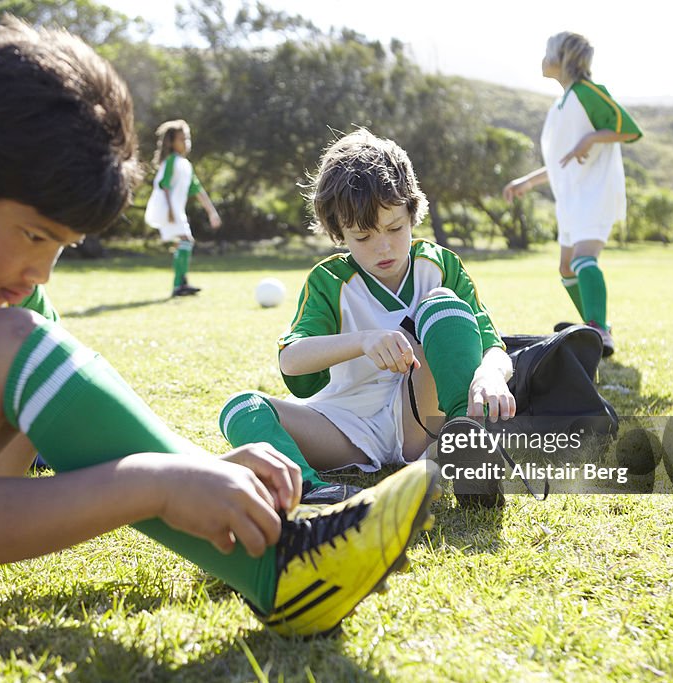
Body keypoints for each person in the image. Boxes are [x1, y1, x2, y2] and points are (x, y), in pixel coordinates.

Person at [0, 21, 439, 647]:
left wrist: (204, 475)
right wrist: (159, 484)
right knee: (3, 346)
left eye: (62, 246)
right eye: (35, 236)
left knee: (16, 350)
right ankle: (280, 569)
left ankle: (278, 553)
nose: (42, 271)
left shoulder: (7, 283)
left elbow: (71, 437)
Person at [219, 130, 515, 509]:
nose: (384, 247)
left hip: (421, 421)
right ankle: (309, 490)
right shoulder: (329, 281)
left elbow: (493, 346)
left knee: (440, 303)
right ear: (338, 232)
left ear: (412, 212)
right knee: (241, 408)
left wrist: (488, 376)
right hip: (345, 425)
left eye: (395, 228)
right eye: (362, 236)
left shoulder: (440, 265)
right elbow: (292, 362)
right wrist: (364, 340)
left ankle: (466, 445)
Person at [503, 31, 642, 357]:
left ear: (562, 59)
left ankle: (596, 328)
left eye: (547, 52)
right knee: (567, 268)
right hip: (573, 198)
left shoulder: (587, 92)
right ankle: (597, 330)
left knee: (583, 259)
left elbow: (630, 129)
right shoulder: (561, 104)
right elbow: (560, 163)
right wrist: (527, 181)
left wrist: (592, 139)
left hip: (595, 194)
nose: (542, 59)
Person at [144, 119, 222, 297]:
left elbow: (198, 189)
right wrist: (170, 211)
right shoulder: (171, 161)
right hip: (167, 209)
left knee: (184, 242)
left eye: (187, 138)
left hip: (176, 210)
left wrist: (212, 212)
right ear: (171, 142)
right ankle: (179, 284)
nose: (186, 142)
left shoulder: (186, 164)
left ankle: (181, 283)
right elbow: (164, 185)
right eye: (181, 139)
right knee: (186, 240)